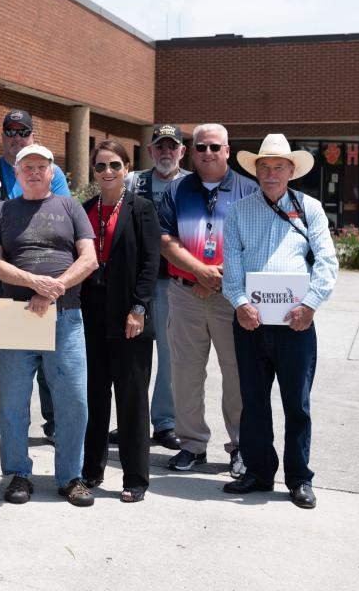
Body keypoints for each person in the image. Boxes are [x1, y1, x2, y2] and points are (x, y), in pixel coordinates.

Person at [221, 134, 338, 509]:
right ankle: (257, 471)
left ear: (291, 171)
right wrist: (239, 302)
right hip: (250, 323)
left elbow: (326, 261)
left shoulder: (311, 209)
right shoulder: (240, 211)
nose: (271, 173)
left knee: (297, 403)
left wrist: (310, 305)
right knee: (253, 401)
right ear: (256, 171)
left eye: (278, 167)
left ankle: (299, 477)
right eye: (265, 167)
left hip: (295, 324)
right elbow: (233, 263)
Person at [0, 144, 97, 507]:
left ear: (53, 173)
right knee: (14, 401)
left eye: (41, 167)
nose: (34, 172)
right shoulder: (3, 211)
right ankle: (19, 473)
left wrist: (53, 290)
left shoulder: (70, 207)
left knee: (74, 400)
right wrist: (34, 284)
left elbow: (90, 258)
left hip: (65, 315)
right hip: (17, 314)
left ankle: (70, 477)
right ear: (16, 174)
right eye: (26, 167)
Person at [158, 123, 258, 476]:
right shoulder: (177, 190)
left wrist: (214, 280)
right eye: (201, 147)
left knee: (237, 374)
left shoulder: (249, 190)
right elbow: (166, 240)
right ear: (192, 151)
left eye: (215, 147)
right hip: (184, 296)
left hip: (232, 298)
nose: (208, 153)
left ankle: (241, 446)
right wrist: (201, 272)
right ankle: (192, 445)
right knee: (185, 374)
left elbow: (253, 244)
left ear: (228, 150)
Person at [80, 140, 160, 503]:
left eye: (115, 165)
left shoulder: (142, 209)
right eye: (100, 166)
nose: (107, 172)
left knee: (130, 400)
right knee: (94, 397)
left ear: (127, 168)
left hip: (130, 315)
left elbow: (150, 264)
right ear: (93, 172)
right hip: (91, 313)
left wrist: (139, 308)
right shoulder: (84, 210)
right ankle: (91, 471)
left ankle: (135, 477)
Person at [0, 109, 70, 442]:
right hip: (4, 277)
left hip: (42, 276)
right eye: (10, 131)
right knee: (6, 358)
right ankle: (12, 420)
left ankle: (52, 422)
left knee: (47, 356)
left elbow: (61, 218)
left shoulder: (54, 173)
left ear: (33, 136)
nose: (16, 137)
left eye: (23, 132)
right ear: (2, 135)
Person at [112, 124, 189, 450]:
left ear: (182, 151)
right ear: (150, 151)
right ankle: (133, 422)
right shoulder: (134, 181)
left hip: (174, 283)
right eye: (160, 146)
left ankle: (166, 423)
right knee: (134, 356)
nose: (166, 152)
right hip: (137, 285)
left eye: (172, 146)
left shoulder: (190, 185)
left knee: (171, 357)